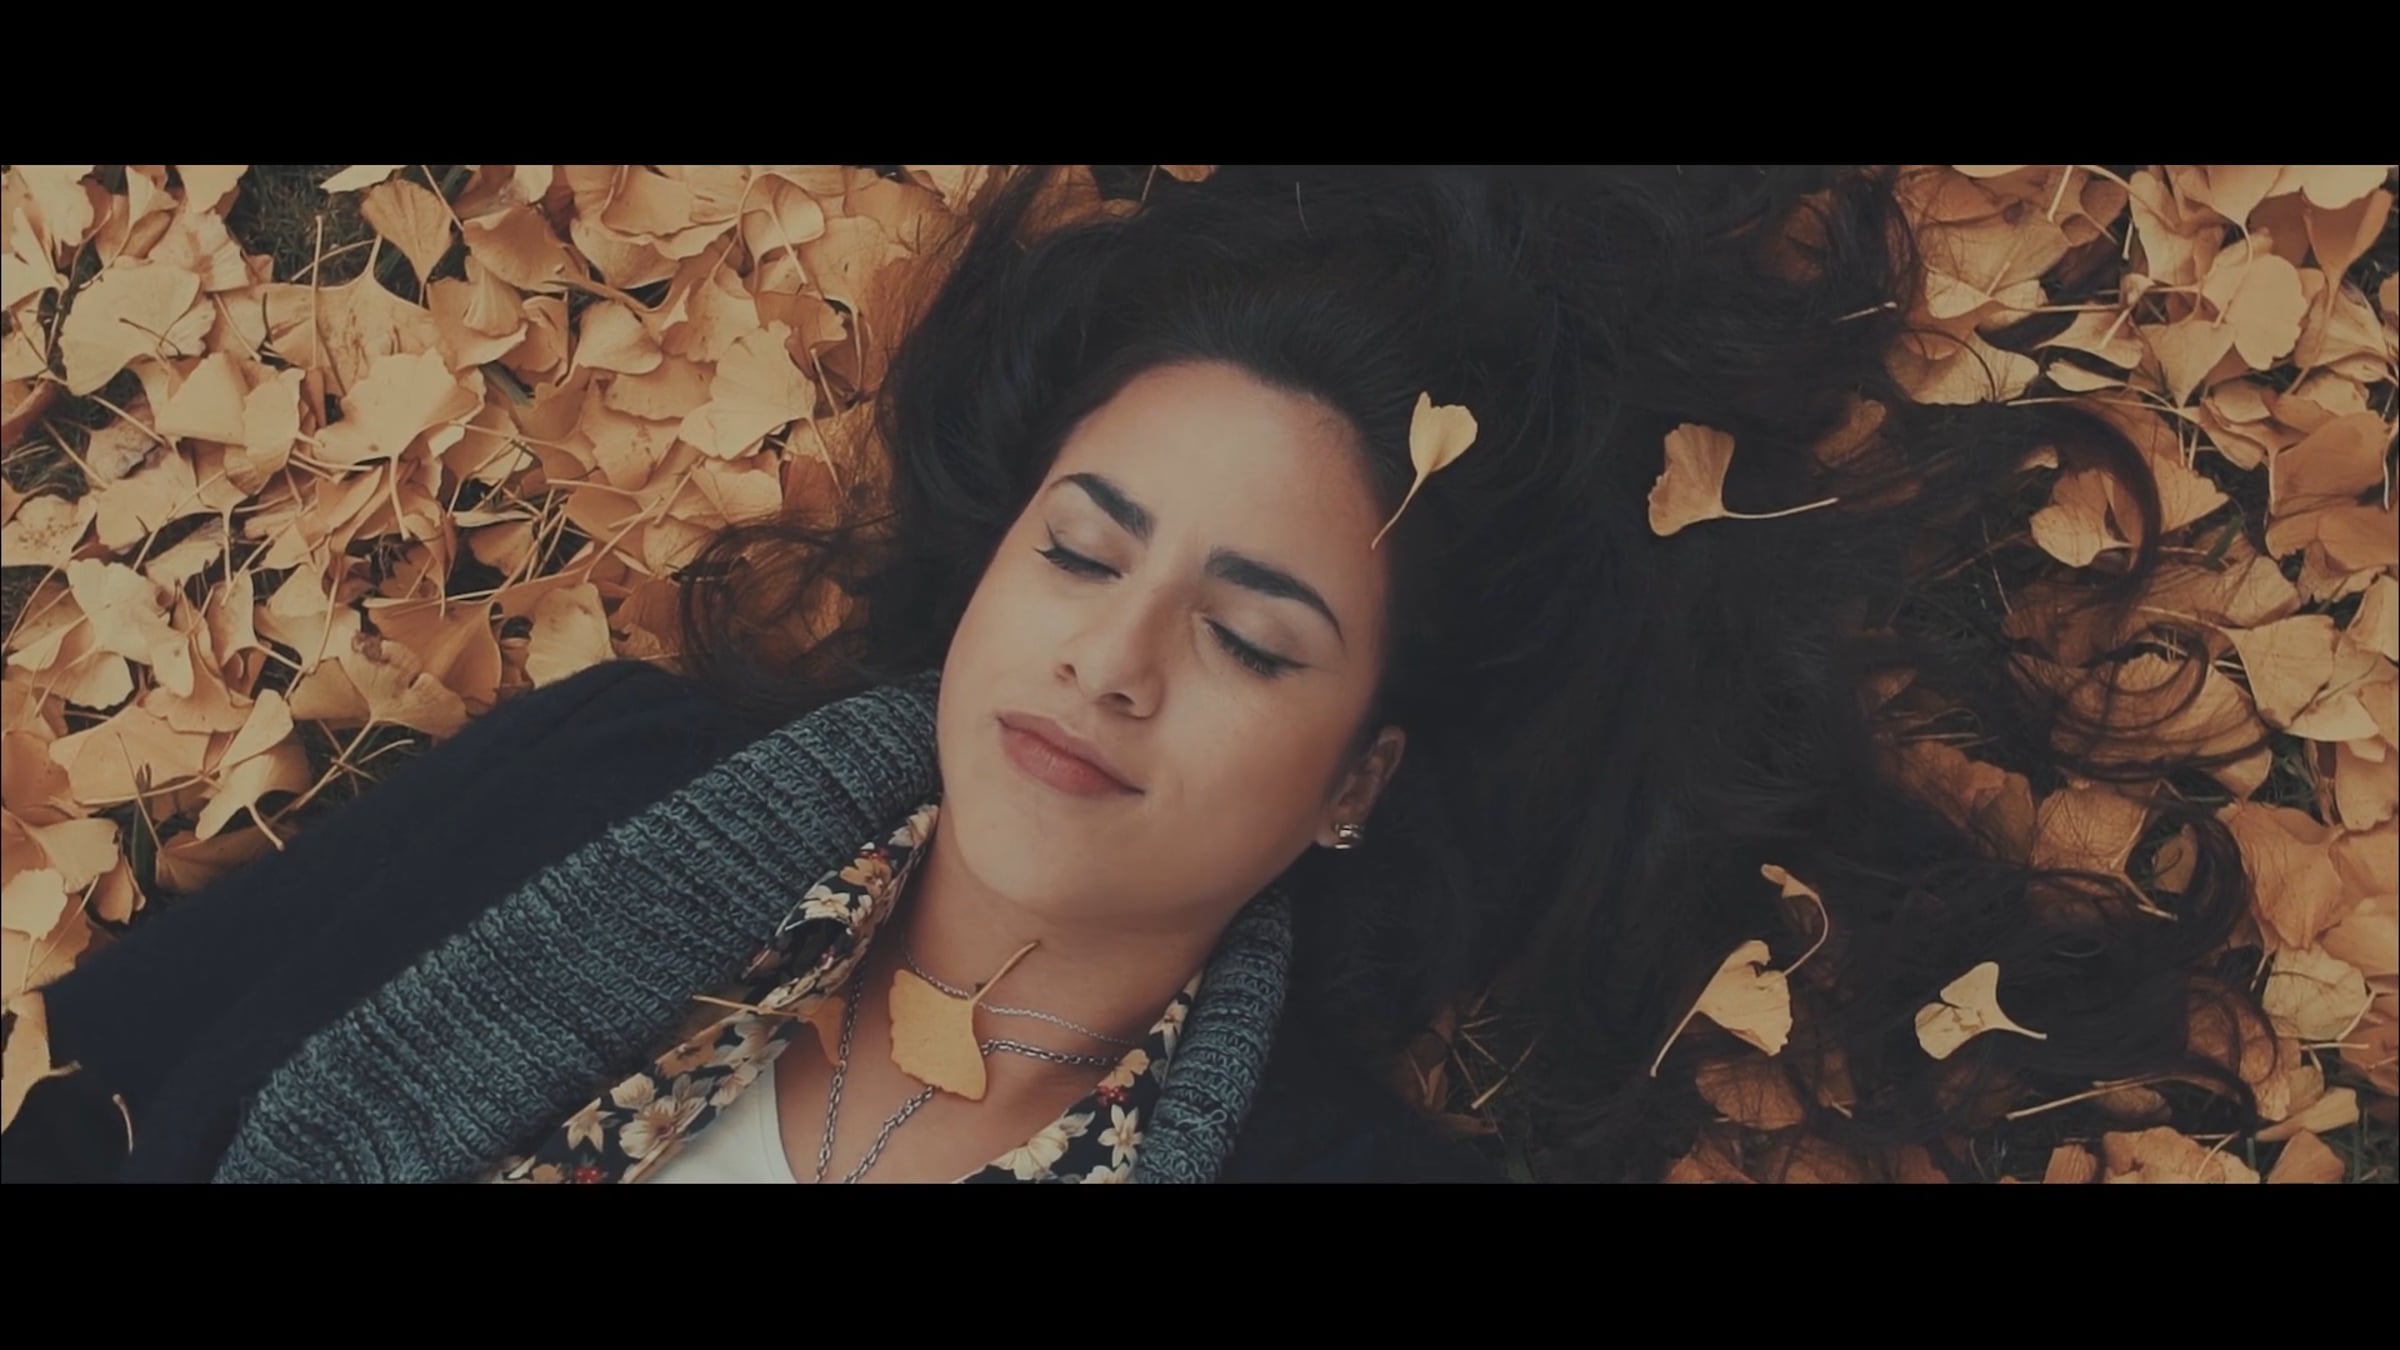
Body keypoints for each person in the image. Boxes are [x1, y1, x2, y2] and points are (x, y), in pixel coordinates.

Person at [3, 165, 2267, 1184]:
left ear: (1357, 776)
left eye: (1251, 634)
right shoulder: (594, 786)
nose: (1112, 653)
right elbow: (93, 1084)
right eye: (1085, 547)